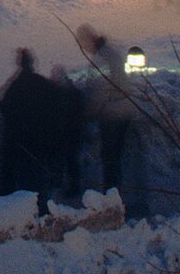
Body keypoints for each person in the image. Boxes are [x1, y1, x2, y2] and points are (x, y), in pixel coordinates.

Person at [77, 27, 137, 199]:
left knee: (110, 158)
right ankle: (117, 194)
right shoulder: (111, 52)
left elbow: (99, 91)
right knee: (116, 157)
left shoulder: (101, 59)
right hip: (125, 110)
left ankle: (112, 198)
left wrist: (87, 113)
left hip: (112, 115)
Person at [0, 48, 58, 208]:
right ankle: (41, 206)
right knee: (38, 176)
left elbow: (9, 109)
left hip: (20, 141)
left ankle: (21, 208)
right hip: (40, 140)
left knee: (23, 176)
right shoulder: (41, 82)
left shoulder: (16, 84)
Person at [49, 64, 85, 198]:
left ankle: (58, 186)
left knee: (61, 161)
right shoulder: (75, 93)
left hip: (63, 133)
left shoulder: (54, 94)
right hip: (73, 133)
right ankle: (73, 188)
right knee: (71, 161)